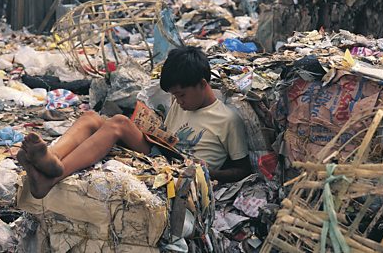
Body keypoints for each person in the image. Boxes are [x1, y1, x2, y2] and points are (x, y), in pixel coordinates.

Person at [17, 46, 251, 199]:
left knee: (118, 123)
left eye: (181, 95)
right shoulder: (181, 104)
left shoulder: (228, 119)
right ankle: (50, 159)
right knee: (90, 118)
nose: (177, 101)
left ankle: (52, 176)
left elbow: (243, 169)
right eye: (174, 96)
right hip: (163, 153)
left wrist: (212, 172)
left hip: (181, 169)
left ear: (202, 84)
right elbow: (166, 136)